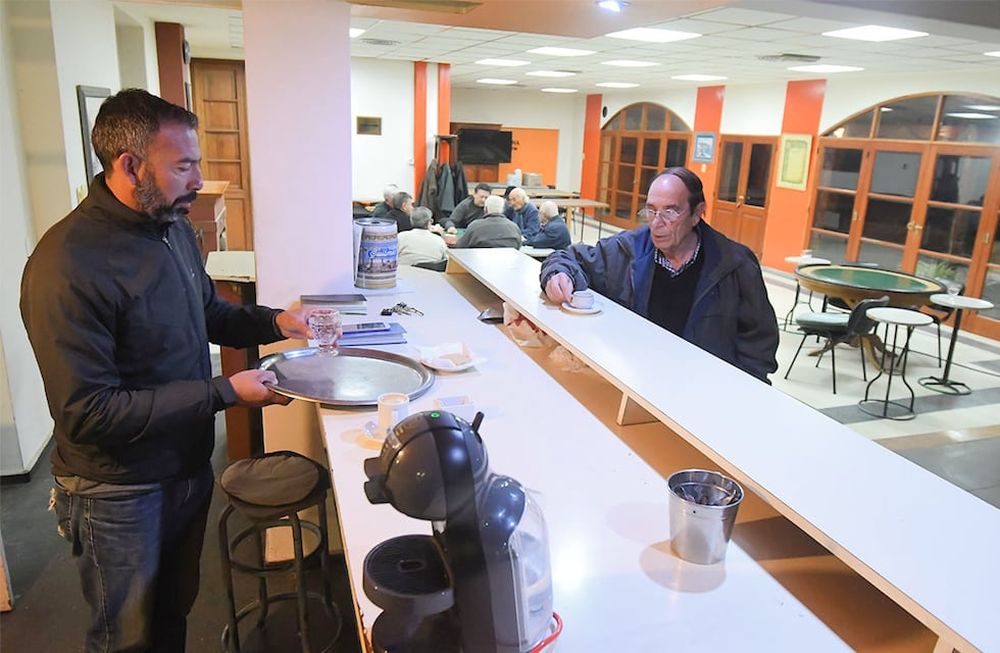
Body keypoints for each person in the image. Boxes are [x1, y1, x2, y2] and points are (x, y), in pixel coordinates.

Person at [19, 89, 312, 653]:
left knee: (172, 616)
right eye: (182, 166)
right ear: (130, 166)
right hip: (117, 490)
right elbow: (87, 413)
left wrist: (279, 321)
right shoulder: (66, 265)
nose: (198, 180)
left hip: (185, 466)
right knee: (124, 638)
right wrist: (225, 392)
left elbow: (208, 313)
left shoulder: (170, 226)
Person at [540, 167, 778, 382]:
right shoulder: (627, 250)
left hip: (702, 390)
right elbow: (569, 258)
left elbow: (759, 345)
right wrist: (558, 273)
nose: (656, 223)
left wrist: (742, 391)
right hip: (636, 382)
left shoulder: (735, 265)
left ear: (697, 213)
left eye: (670, 212)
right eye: (651, 211)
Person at [454, 194, 522, 249]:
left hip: (478, 262)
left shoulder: (474, 227)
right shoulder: (514, 228)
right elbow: (518, 247)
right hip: (508, 262)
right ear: (502, 210)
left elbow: (460, 247)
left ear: (485, 209)